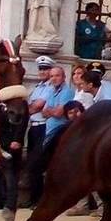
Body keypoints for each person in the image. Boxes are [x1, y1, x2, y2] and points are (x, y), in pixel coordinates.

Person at [24, 60, 73, 205]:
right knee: (37, 165)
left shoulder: (67, 92)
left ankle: (47, 200)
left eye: (57, 76)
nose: (53, 78)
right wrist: (49, 111)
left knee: (47, 166)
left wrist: (49, 111)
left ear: (63, 77)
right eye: (52, 76)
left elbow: (57, 113)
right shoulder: (51, 90)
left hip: (58, 133)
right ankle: (35, 199)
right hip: (47, 131)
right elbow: (45, 112)